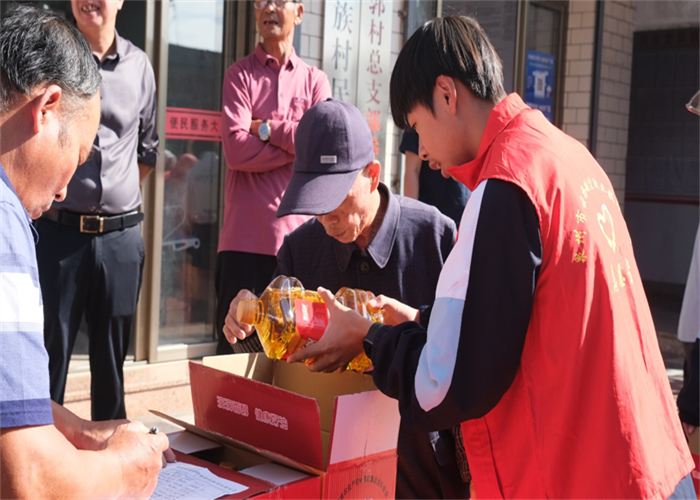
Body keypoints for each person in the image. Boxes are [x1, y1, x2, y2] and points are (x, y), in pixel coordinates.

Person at [288, 16, 696, 499]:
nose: (423, 151)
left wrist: (370, 339)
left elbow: (447, 385)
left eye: (417, 127)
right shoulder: (566, 156)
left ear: (447, 94)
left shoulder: (504, 185)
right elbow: (523, 319)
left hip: (584, 476)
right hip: (642, 460)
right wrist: (421, 321)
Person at [223, 99, 469, 500]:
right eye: (314, 202)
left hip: (420, 476)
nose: (325, 219)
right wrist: (245, 326)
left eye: (335, 200)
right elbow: (274, 365)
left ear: (372, 175)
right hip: (328, 473)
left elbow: (465, 353)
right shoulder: (301, 250)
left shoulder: (436, 237)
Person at [0, 6, 170, 498]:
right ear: (47, 108)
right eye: (76, 157)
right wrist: (124, 468)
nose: (63, 191)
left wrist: (82, 432)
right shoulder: (7, 220)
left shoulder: (140, 67)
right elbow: (28, 479)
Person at [35, 0, 159, 421]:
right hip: (59, 236)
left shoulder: (140, 66)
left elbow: (148, 150)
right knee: (48, 357)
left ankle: (110, 453)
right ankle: (41, 450)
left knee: (111, 365)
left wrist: (115, 197)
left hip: (120, 240)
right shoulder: (52, 55)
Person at [217, 0, 331, 355]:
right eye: (260, 1)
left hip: (300, 242)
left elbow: (320, 148)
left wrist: (265, 129)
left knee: (296, 358)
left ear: (299, 12)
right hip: (243, 242)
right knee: (237, 355)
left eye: (278, 1)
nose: (268, 7)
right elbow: (236, 150)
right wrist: (295, 144)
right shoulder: (239, 75)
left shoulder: (315, 81)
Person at [400, 129, 470, 226]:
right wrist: (410, 217)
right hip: (430, 214)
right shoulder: (416, 124)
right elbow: (412, 171)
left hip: (465, 212)